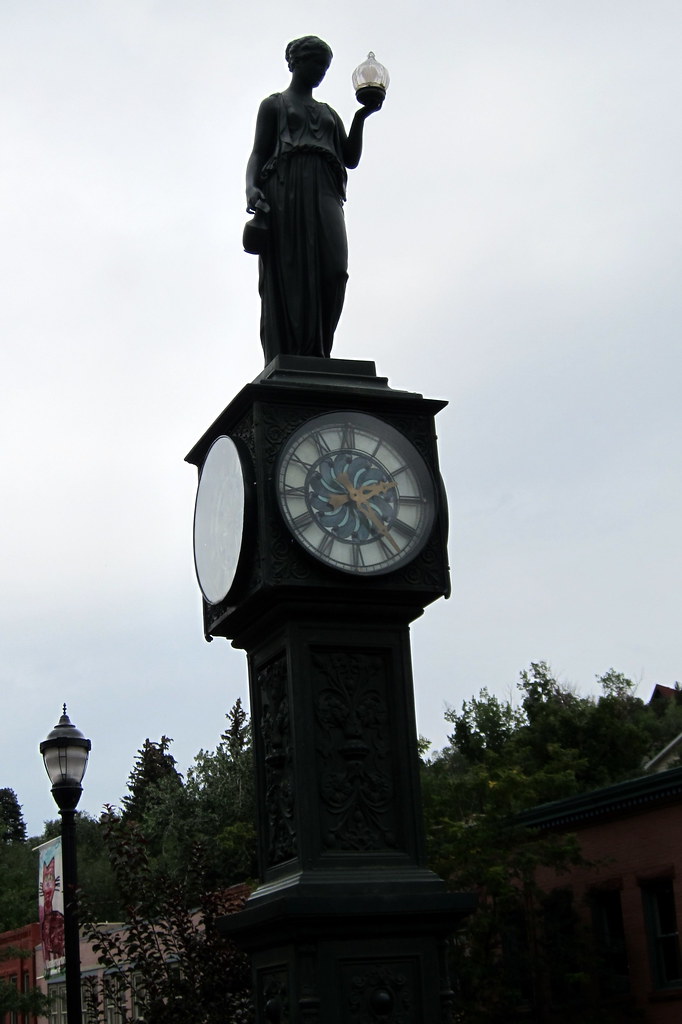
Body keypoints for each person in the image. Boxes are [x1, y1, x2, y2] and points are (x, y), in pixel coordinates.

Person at [245, 36, 382, 362]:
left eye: (325, 66)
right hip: (285, 191)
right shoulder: (274, 105)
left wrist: (362, 116)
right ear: (296, 62)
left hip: (325, 192)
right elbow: (258, 152)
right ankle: (296, 355)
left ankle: (320, 352)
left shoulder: (328, 113)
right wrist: (250, 187)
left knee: (334, 270)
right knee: (291, 271)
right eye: (316, 63)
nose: (321, 71)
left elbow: (350, 157)